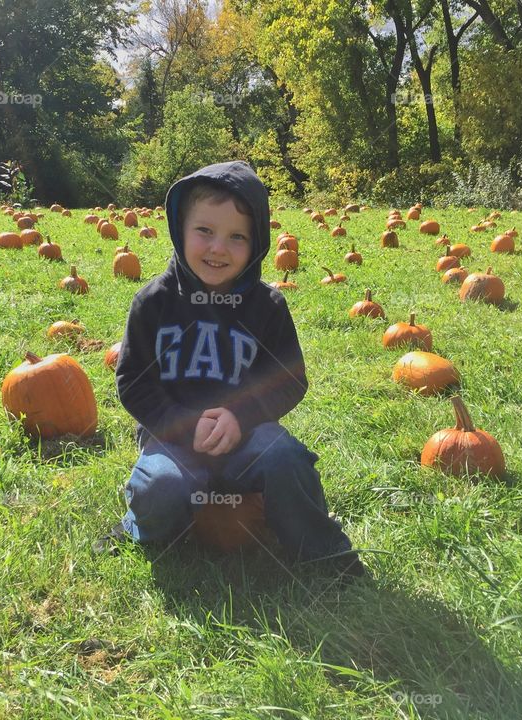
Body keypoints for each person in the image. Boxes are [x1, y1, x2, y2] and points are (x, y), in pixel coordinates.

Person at [95, 160, 364, 577]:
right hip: (174, 438)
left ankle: (322, 550)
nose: (218, 248)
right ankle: (138, 527)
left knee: (287, 460)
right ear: (178, 229)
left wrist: (242, 416)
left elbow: (290, 379)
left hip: (249, 435)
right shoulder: (152, 303)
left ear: (257, 244)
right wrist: (183, 425)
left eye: (237, 237)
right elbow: (132, 380)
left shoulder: (267, 307)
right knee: (160, 487)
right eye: (204, 231)